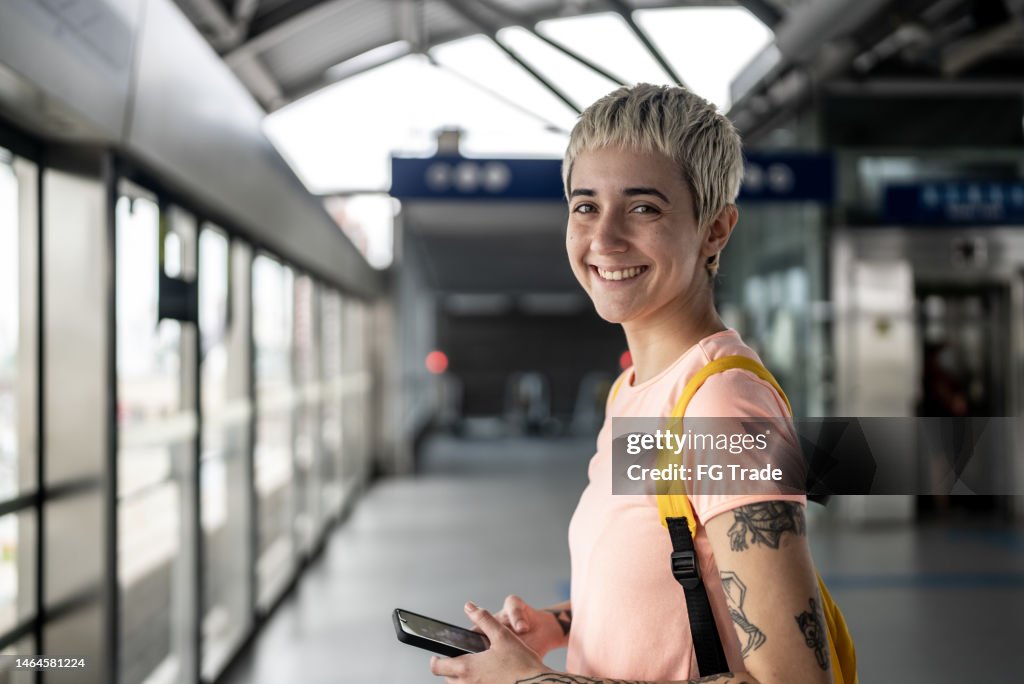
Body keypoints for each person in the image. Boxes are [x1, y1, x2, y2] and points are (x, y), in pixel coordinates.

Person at [430, 84, 830, 684]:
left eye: (644, 208)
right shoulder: (637, 390)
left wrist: (529, 680)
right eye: (585, 206)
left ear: (715, 229)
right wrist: (564, 623)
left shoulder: (721, 405)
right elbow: (674, 568)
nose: (605, 238)